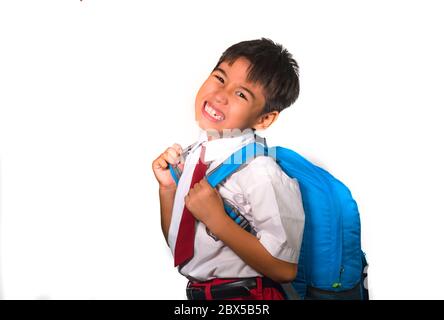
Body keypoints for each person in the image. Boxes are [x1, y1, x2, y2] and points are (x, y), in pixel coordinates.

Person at [152, 38, 305, 300]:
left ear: (265, 118)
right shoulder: (194, 156)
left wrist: (217, 220)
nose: (220, 95)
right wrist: (168, 189)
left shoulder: (260, 172)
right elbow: (181, 244)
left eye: (241, 94)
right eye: (220, 78)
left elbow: (285, 269)